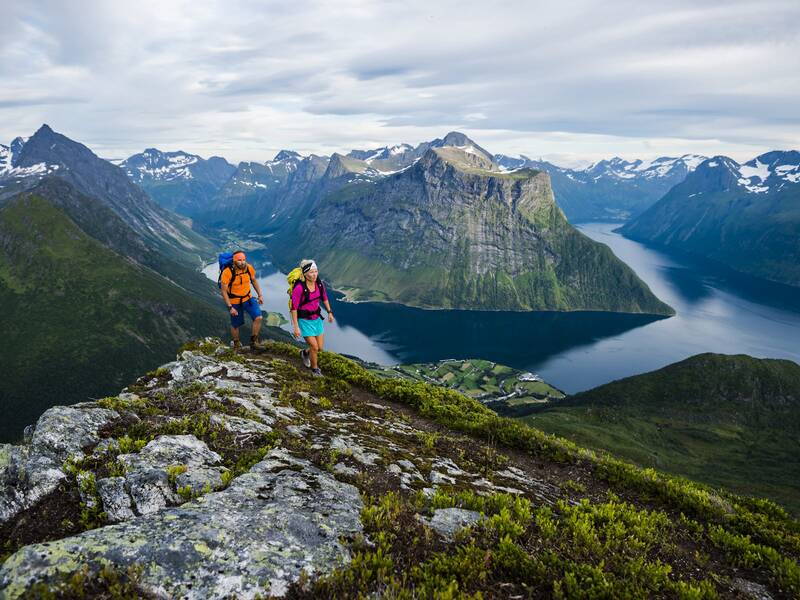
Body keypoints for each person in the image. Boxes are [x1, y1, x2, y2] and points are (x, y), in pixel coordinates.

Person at [290, 259, 333, 377]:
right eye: (311, 272)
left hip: (317, 318)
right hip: (304, 320)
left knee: (319, 348)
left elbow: (324, 297)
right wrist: (296, 327)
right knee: (314, 347)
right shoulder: (299, 288)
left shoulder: (319, 283)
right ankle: (315, 370)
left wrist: (329, 312)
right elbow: (293, 308)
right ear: (304, 273)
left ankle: (304, 353)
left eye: (316, 271)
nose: (314, 275)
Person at [220, 251, 265, 349]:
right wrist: (230, 307)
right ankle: (236, 343)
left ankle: (253, 342)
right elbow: (223, 291)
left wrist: (260, 295)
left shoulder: (249, 268)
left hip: (248, 298)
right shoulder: (227, 272)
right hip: (234, 302)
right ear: (234, 261)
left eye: (244, 260)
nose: (242, 262)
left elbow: (253, 280)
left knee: (258, 317)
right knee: (236, 325)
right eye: (239, 260)